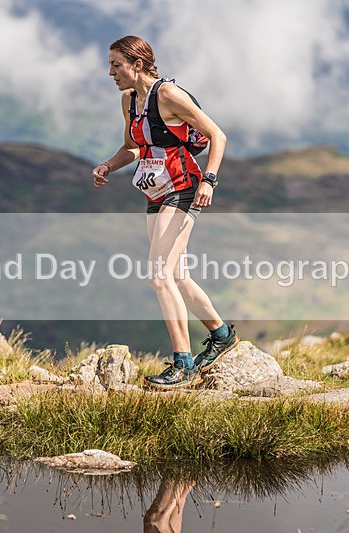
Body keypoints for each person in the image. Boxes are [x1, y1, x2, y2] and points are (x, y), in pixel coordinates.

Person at [92, 35, 239, 390]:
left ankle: (183, 364)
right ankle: (221, 335)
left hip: (184, 188)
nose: (110, 72)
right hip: (155, 193)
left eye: (116, 65)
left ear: (137, 64)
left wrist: (210, 180)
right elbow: (133, 146)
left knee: (158, 275)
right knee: (177, 275)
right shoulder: (128, 101)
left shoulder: (169, 95)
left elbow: (216, 135)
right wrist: (109, 166)